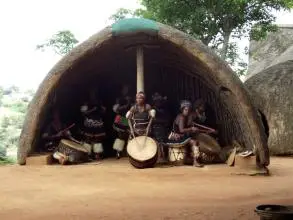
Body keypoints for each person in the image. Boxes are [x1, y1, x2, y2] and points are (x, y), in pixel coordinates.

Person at [167, 100, 204, 167]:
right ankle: (195, 162)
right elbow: (181, 130)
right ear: (182, 109)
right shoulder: (181, 117)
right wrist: (191, 129)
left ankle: (191, 158)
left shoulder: (186, 117)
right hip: (177, 137)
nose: (187, 111)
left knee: (196, 141)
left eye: (188, 109)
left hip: (181, 136)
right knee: (194, 142)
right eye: (186, 109)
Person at [79, 90, 106, 161]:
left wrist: (102, 109)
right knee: (88, 139)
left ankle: (97, 154)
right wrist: (92, 110)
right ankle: (87, 154)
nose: (93, 94)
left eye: (94, 92)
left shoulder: (99, 102)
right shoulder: (86, 102)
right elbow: (83, 113)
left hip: (98, 122)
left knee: (97, 139)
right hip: (89, 122)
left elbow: (103, 112)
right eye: (92, 92)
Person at [112, 85, 133, 159]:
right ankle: (118, 152)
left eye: (127, 89)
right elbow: (117, 109)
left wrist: (129, 103)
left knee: (130, 135)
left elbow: (132, 108)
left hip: (128, 118)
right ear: (122, 90)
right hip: (120, 118)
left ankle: (130, 152)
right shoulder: (119, 99)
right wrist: (127, 104)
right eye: (124, 89)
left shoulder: (130, 98)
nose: (125, 90)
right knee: (120, 136)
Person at [151, 92, 171, 161]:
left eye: (160, 101)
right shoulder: (152, 109)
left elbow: (168, 120)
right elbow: (151, 121)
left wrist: (161, 121)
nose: (158, 102)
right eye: (156, 101)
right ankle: (159, 156)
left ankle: (163, 156)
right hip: (155, 129)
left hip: (164, 129)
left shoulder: (166, 110)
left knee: (164, 141)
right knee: (158, 141)